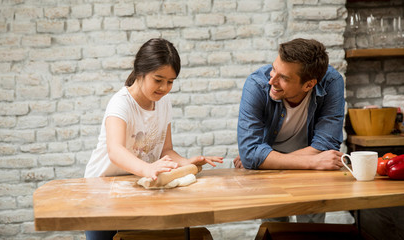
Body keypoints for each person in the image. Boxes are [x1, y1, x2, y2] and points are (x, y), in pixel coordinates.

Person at [84, 38, 223, 240]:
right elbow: (115, 151)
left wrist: (185, 163)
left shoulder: (163, 102)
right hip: (103, 192)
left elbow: (165, 149)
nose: (164, 88)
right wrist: (148, 169)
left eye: (170, 82)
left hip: (136, 189)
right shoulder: (120, 104)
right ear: (140, 73)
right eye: (158, 80)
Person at [234, 38, 345, 223]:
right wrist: (313, 162)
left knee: (311, 230)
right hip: (304, 162)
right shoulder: (257, 84)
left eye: (283, 78)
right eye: (274, 69)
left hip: (290, 167)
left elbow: (326, 145)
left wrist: (262, 159)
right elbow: (250, 153)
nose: (272, 80)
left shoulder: (332, 82)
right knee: (274, 227)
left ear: (309, 85)